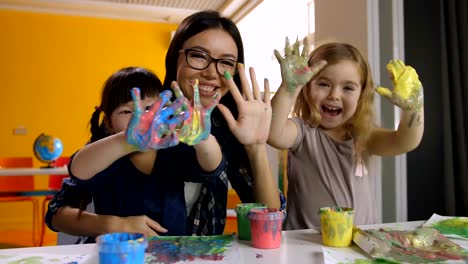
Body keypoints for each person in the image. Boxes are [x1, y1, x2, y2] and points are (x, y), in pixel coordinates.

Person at [46, 10, 284, 241]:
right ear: (175, 57)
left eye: (226, 62)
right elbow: (58, 210)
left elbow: (268, 221)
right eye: (199, 56)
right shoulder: (146, 117)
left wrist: (256, 147)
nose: (213, 73)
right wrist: (114, 224)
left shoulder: (227, 126)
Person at [268, 40, 424, 230]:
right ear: (307, 87)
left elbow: (405, 142)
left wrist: (414, 108)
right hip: (306, 245)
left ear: (361, 95)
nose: (334, 95)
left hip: (358, 245)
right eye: (324, 84)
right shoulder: (302, 132)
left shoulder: (364, 136)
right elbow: (273, 134)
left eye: (348, 88)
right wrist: (289, 88)